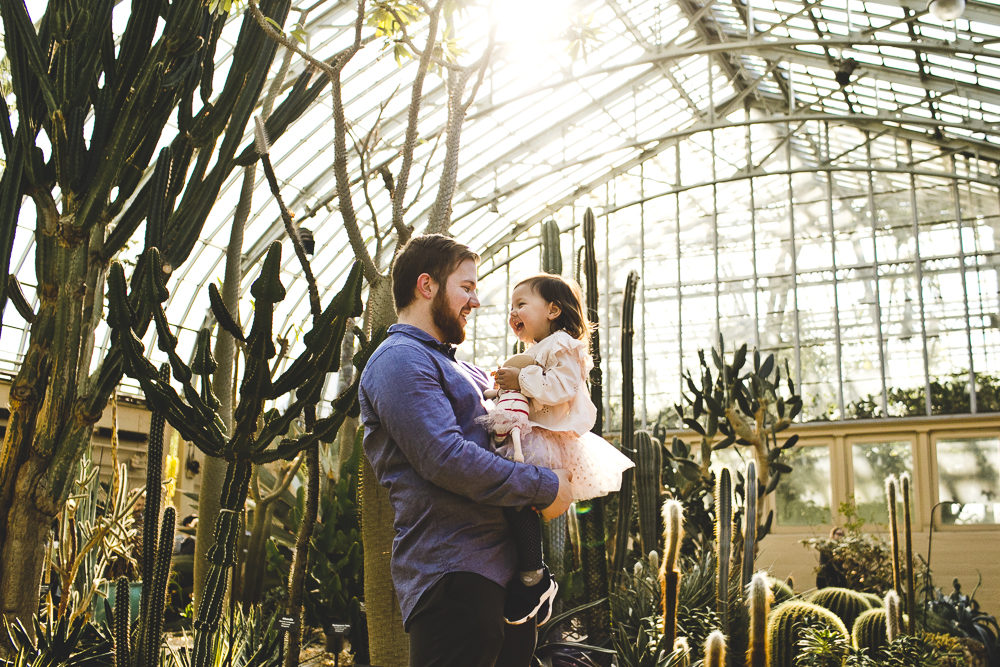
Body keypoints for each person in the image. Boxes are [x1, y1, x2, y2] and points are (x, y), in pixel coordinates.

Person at [359, 234, 574, 667]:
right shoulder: (399, 360)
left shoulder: (463, 368)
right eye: (467, 287)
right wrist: (544, 485)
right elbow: (445, 458)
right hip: (454, 577)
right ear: (427, 286)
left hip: (504, 583)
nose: (476, 301)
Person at [486, 274, 634, 624]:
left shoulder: (562, 345)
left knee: (517, 497)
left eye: (521, 304)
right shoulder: (534, 350)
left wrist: (519, 379)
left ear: (553, 310)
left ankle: (533, 575)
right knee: (512, 497)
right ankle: (526, 570)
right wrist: (500, 391)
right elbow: (526, 394)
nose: (513, 312)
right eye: (511, 307)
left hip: (547, 440)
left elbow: (560, 389)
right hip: (530, 435)